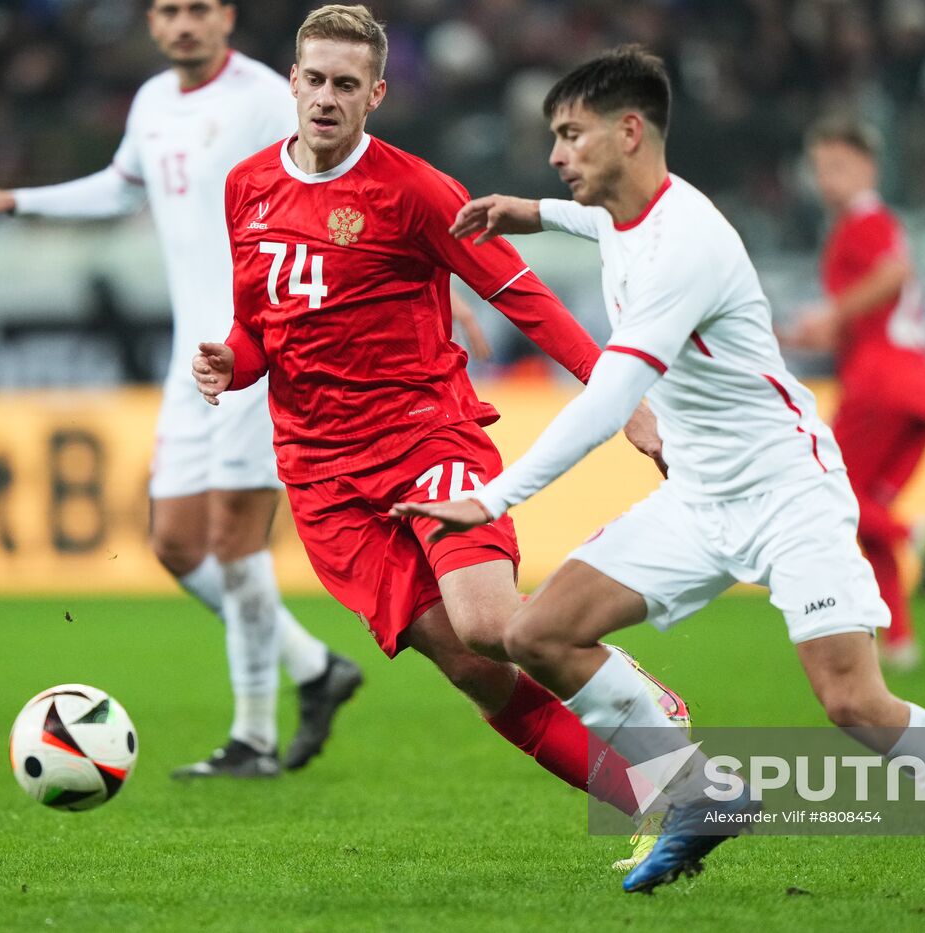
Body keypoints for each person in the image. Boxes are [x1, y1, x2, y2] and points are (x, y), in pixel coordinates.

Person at [398, 46, 925, 903]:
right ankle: (699, 793)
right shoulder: (621, 213)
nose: (556, 155)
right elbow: (589, 223)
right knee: (539, 635)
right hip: (699, 497)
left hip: (786, 490)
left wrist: (494, 499)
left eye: (571, 135)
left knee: (854, 703)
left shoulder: (687, 245)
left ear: (630, 132)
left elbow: (611, 399)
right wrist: (523, 212)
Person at [190, 4, 688, 869]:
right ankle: (660, 799)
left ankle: (655, 715)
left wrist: (622, 392)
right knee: (473, 670)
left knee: (491, 621)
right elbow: (258, 331)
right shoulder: (246, 189)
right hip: (325, 482)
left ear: (376, 93)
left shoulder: (414, 189)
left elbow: (519, 293)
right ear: (294, 79)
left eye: (348, 84)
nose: (327, 98)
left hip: (427, 439)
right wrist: (227, 364)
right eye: (315, 79)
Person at [0, 0, 361, 778]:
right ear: (153, 23)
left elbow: (342, 180)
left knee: (233, 542)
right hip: (187, 353)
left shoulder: (266, 95)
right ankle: (316, 666)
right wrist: (13, 201)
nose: (183, 23)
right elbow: (121, 188)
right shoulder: (153, 102)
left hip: (259, 345)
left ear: (225, 16)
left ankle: (254, 738)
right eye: (168, 10)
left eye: (198, 8)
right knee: (175, 543)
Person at [781, 116, 925, 672]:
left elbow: (895, 274)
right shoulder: (877, 223)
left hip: (879, 383)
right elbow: (856, 311)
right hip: (921, 386)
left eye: (838, 166)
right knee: (864, 504)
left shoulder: (863, 220)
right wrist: (807, 330)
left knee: (829, 495)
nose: (826, 178)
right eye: (820, 167)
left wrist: (831, 311)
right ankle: (900, 642)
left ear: (869, 168)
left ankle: (917, 534)